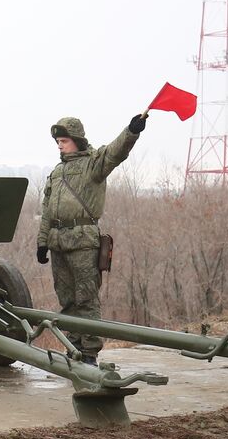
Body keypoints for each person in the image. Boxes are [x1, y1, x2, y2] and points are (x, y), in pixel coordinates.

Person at [36, 113, 146, 361]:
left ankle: (89, 352)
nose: (59, 145)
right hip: (57, 242)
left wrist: (131, 131)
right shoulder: (56, 172)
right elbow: (47, 209)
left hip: (83, 241)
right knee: (67, 302)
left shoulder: (93, 164)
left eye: (64, 140)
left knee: (86, 300)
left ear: (76, 140)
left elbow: (115, 152)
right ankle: (72, 347)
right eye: (58, 141)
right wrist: (42, 242)